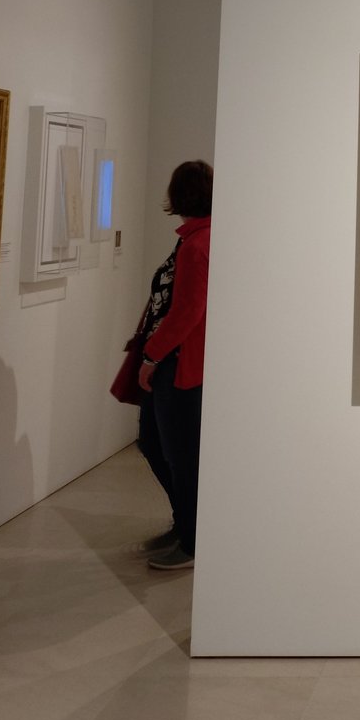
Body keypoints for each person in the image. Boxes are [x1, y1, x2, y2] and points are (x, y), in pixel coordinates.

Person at [137, 160, 212, 571]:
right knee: (156, 443)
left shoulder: (199, 245)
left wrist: (152, 355)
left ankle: (194, 539)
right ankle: (185, 524)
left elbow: (186, 312)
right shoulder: (197, 239)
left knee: (179, 455)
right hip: (176, 361)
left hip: (180, 364)